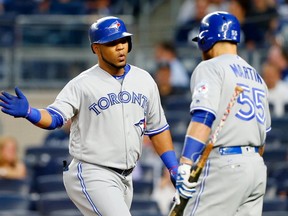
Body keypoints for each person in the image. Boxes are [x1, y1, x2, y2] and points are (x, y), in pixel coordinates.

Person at [0, 16, 179, 216]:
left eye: (123, 41)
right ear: (96, 48)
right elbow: (55, 117)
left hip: (126, 178)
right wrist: (29, 112)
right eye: (112, 43)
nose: (120, 47)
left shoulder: (144, 79)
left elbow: (158, 128)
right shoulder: (82, 84)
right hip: (92, 172)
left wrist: (173, 167)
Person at [173, 11, 271, 216]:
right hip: (256, 169)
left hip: (225, 167)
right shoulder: (256, 77)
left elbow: (203, 117)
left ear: (206, 40)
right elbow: (263, 141)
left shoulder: (210, 67)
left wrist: (185, 164)